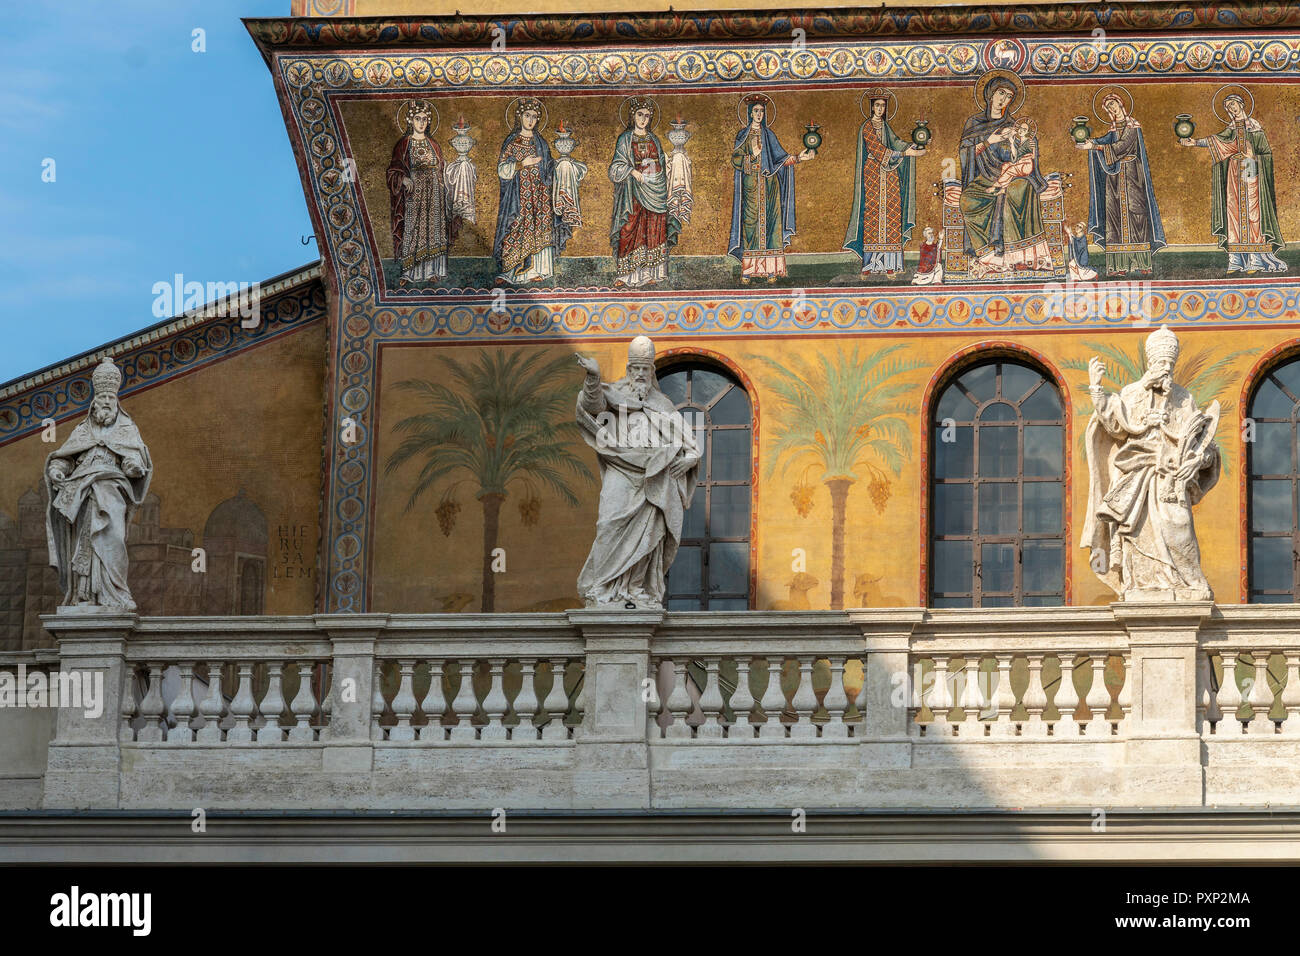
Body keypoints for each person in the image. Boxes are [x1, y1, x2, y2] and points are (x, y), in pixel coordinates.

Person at [1081, 326, 1219, 601]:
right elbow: (1114, 426)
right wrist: (1097, 388)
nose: (1164, 368)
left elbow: (1199, 439)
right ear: (1150, 363)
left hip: (1170, 477)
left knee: (1179, 526)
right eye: (1159, 363)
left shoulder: (1184, 398)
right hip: (1137, 474)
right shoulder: (1133, 393)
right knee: (1137, 531)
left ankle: (1189, 582)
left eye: (1169, 364)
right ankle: (1140, 584)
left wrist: (1198, 458)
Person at [574, 336, 701, 608]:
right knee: (609, 523)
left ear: (651, 373)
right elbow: (591, 407)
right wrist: (593, 377)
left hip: (655, 474)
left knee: (650, 533)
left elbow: (687, 440)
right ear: (629, 370)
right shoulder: (614, 393)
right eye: (636, 369)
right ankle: (603, 587)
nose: (641, 374)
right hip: (622, 468)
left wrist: (691, 458)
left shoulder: (662, 403)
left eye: (646, 369)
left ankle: (634, 589)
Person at [44, 357, 153, 610]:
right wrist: (57, 470)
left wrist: (132, 465)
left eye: (110, 400)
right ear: (93, 405)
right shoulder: (82, 431)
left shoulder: (127, 429)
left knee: (113, 537)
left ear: (116, 404)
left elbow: (135, 457)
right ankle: (85, 595)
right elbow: (64, 458)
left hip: (111, 490)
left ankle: (114, 592)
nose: (106, 403)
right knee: (85, 542)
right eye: (101, 399)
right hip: (82, 494)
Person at [957, 74, 1056, 278]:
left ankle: (1018, 256)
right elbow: (965, 153)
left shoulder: (1013, 125)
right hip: (985, 176)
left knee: (1016, 190)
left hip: (1011, 175)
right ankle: (988, 256)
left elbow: (1024, 156)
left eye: (1009, 96)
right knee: (967, 200)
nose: (1003, 99)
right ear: (990, 94)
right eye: (1001, 93)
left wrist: (1023, 141)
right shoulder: (973, 123)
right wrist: (988, 141)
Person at [1179, 92, 1286, 274]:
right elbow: (1216, 141)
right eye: (1228, 106)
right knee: (1233, 213)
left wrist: (1254, 156)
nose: (1230, 108)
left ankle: (1255, 260)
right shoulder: (1231, 130)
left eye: (1233, 104)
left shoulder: (1255, 128)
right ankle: (1236, 261)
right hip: (1234, 172)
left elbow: (1266, 154)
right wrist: (1195, 142)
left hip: (1250, 168)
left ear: (1241, 104)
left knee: (1253, 212)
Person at [1077, 92, 1165, 276]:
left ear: (1120, 103)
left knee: (1137, 215)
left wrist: (1095, 147)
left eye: (1113, 104)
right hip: (1115, 179)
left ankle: (1142, 264)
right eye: (1108, 107)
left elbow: (1122, 146)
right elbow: (1104, 141)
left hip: (1132, 175)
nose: (1111, 108)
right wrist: (1088, 141)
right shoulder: (1113, 129)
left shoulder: (1133, 126)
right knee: (1114, 218)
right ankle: (1119, 267)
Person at [728, 96, 813, 283]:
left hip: (770, 186)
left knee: (772, 224)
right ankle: (748, 270)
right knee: (750, 225)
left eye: (762, 111)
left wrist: (799, 158)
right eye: (756, 111)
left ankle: (771, 270)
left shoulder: (769, 135)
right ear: (750, 113)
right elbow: (735, 160)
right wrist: (752, 156)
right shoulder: (743, 136)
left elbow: (780, 159)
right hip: (751, 186)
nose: (759, 114)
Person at [843, 91, 924, 278]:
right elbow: (877, 150)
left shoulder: (886, 127)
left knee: (892, 213)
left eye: (883, 105)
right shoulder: (866, 127)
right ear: (872, 106)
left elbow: (896, 143)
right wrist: (905, 154)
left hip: (890, 175)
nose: (880, 108)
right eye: (877, 105)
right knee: (872, 215)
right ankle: (870, 264)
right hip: (872, 172)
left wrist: (912, 147)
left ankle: (890, 264)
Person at [493, 97, 571, 285]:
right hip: (518, 196)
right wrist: (521, 164)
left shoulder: (541, 142)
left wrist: (560, 164)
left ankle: (538, 270)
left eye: (534, 117)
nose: (530, 120)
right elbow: (502, 169)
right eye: (527, 115)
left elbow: (549, 167)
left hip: (540, 195)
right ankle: (511, 272)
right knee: (515, 227)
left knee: (540, 227)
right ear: (520, 116)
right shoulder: (512, 141)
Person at [609, 98, 681, 288]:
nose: (643, 119)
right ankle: (627, 276)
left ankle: (650, 273)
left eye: (647, 116)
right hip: (632, 192)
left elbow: (661, 164)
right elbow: (615, 167)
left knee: (653, 231)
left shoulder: (654, 139)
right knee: (630, 228)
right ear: (633, 116)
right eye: (639, 114)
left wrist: (654, 170)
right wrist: (632, 171)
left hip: (654, 191)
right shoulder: (625, 139)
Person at [386, 100, 460, 285]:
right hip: (414, 192)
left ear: (428, 122)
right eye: (417, 119)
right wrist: (403, 178)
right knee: (414, 229)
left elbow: (441, 167)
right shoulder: (404, 144)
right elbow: (393, 169)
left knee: (434, 229)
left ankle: (433, 271)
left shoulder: (433, 144)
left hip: (434, 191)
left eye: (425, 119)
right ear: (411, 120)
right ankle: (409, 273)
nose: (421, 122)